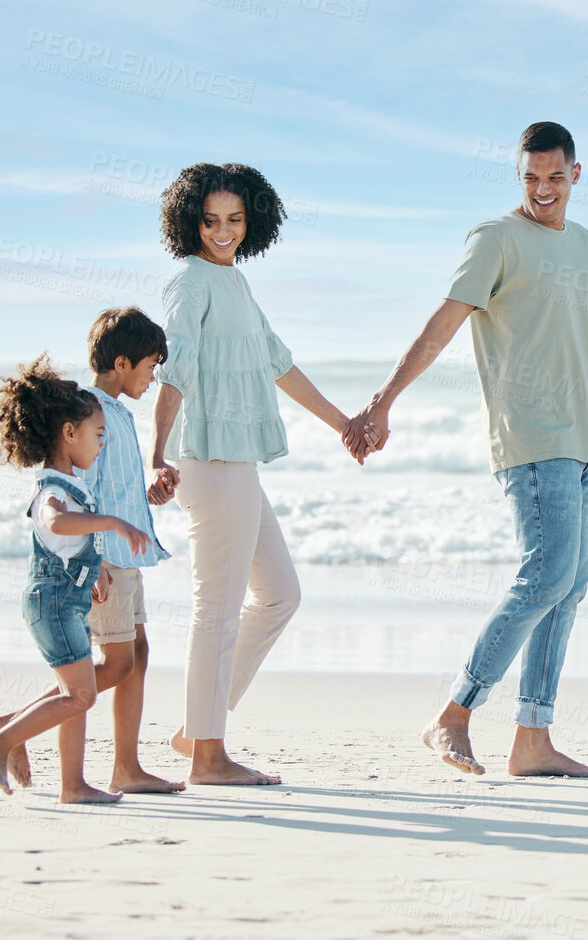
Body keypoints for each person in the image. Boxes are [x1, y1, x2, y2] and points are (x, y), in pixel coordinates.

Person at [344, 121, 588, 778]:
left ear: (576, 174)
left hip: (581, 440)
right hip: (530, 435)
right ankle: (453, 714)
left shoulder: (587, 246)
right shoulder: (494, 238)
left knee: (568, 589)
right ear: (520, 175)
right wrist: (382, 399)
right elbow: (443, 323)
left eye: (555, 177)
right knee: (544, 577)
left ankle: (532, 740)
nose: (543, 189)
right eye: (531, 177)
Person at [149, 163, 356, 786]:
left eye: (234, 220)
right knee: (217, 607)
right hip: (207, 460)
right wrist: (156, 453)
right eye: (210, 221)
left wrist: (344, 423)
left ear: (253, 222)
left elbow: (278, 364)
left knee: (279, 595)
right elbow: (174, 370)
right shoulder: (189, 283)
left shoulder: (234, 283)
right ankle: (208, 756)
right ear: (189, 222)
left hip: (236, 461)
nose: (223, 231)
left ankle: (196, 728)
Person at [0, 309, 185, 795]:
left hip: (125, 555)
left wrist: (151, 492)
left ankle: (127, 767)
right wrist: (92, 560)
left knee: (136, 654)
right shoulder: (91, 413)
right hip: (108, 561)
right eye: (150, 365)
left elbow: (110, 488)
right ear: (122, 361)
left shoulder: (112, 412)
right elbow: (82, 489)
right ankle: (14, 727)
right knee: (116, 663)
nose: (153, 376)